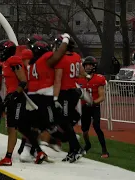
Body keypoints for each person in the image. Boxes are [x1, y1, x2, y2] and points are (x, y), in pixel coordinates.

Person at [17, 34, 71, 163]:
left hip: (32, 96)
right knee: (49, 124)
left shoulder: (32, 64)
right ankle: (45, 146)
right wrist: (65, 40)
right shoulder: (44, 59)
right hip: (43, 96)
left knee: (34, 126)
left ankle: (27, 151)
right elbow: (59, 54)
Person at [52, 35, 92, 163]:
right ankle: (72, 151)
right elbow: (80, 70)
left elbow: (58, 80)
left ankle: (77, 148)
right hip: (74, 93)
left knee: (64, 122)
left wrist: (55, 97)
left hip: (65, 93)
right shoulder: (76, 56)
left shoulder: (61, 59)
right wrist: (87, 75)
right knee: (67, 121)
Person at [0, 40, 28, 166]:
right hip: (11, 96)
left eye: (1, 50)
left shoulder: (13, 61)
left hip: (16, 97)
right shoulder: (6, 62)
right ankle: (38, 151)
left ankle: (8, 157)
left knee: (13, 127)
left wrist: (14, 95)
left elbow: (23, 81)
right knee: (16, 127)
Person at [77, 56, 109, 158]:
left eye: (90, 65)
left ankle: (104, 150)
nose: (88, 67)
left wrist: (93, 102)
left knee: (96, 126)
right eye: (86, 65)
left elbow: (102, 97)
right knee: (84, 130)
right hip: (84, 107)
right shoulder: (79, 79)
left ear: (94, 66)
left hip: (94, 106)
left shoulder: (99, 79)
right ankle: (88, 144)